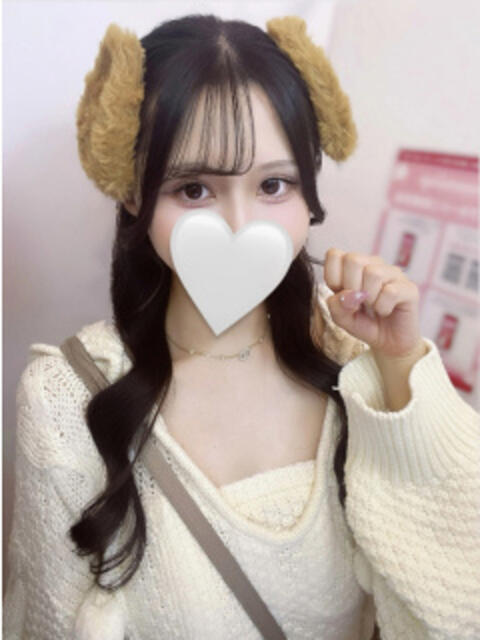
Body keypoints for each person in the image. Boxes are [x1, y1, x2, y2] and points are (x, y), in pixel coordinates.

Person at [3, 13, 479, 640]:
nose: (239, 224)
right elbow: (46, 623)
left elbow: (458, 585)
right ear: (132, 192)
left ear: (309, 191)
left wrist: (399, 365)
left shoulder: (351, 354)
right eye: (194, 189)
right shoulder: (64, 397)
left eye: (274, 184)